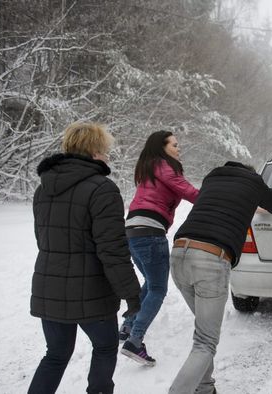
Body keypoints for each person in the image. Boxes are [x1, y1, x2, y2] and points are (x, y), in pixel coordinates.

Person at [28, 122, 141, 394]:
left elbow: (43, 239)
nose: (108, 155)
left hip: (50, 288)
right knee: (104, 347)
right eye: (105, 149)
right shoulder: (102, 189)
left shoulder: (43, 189)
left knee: (55, 355)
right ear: (94, 150)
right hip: (92, 291)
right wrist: (132, 293)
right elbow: (112, 249)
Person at [169, 161, 272, 394]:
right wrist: (256, 202)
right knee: (206, 341)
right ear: (250, 172)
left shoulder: (211, 178)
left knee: (202, 332)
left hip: (178, 255)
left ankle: (205, 388)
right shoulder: (254, 182)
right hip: (210, 259)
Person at [119, 130, 200, 366]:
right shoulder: (164, 166)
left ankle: (128, 325)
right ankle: (135, 340)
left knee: (150, 282)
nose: (178, 148)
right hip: (150, 232)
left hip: (133, 231)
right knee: (157, 288)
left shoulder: (149, 166)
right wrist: (217, 198)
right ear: (161, 147)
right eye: (174, 144)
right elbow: (188, 192)